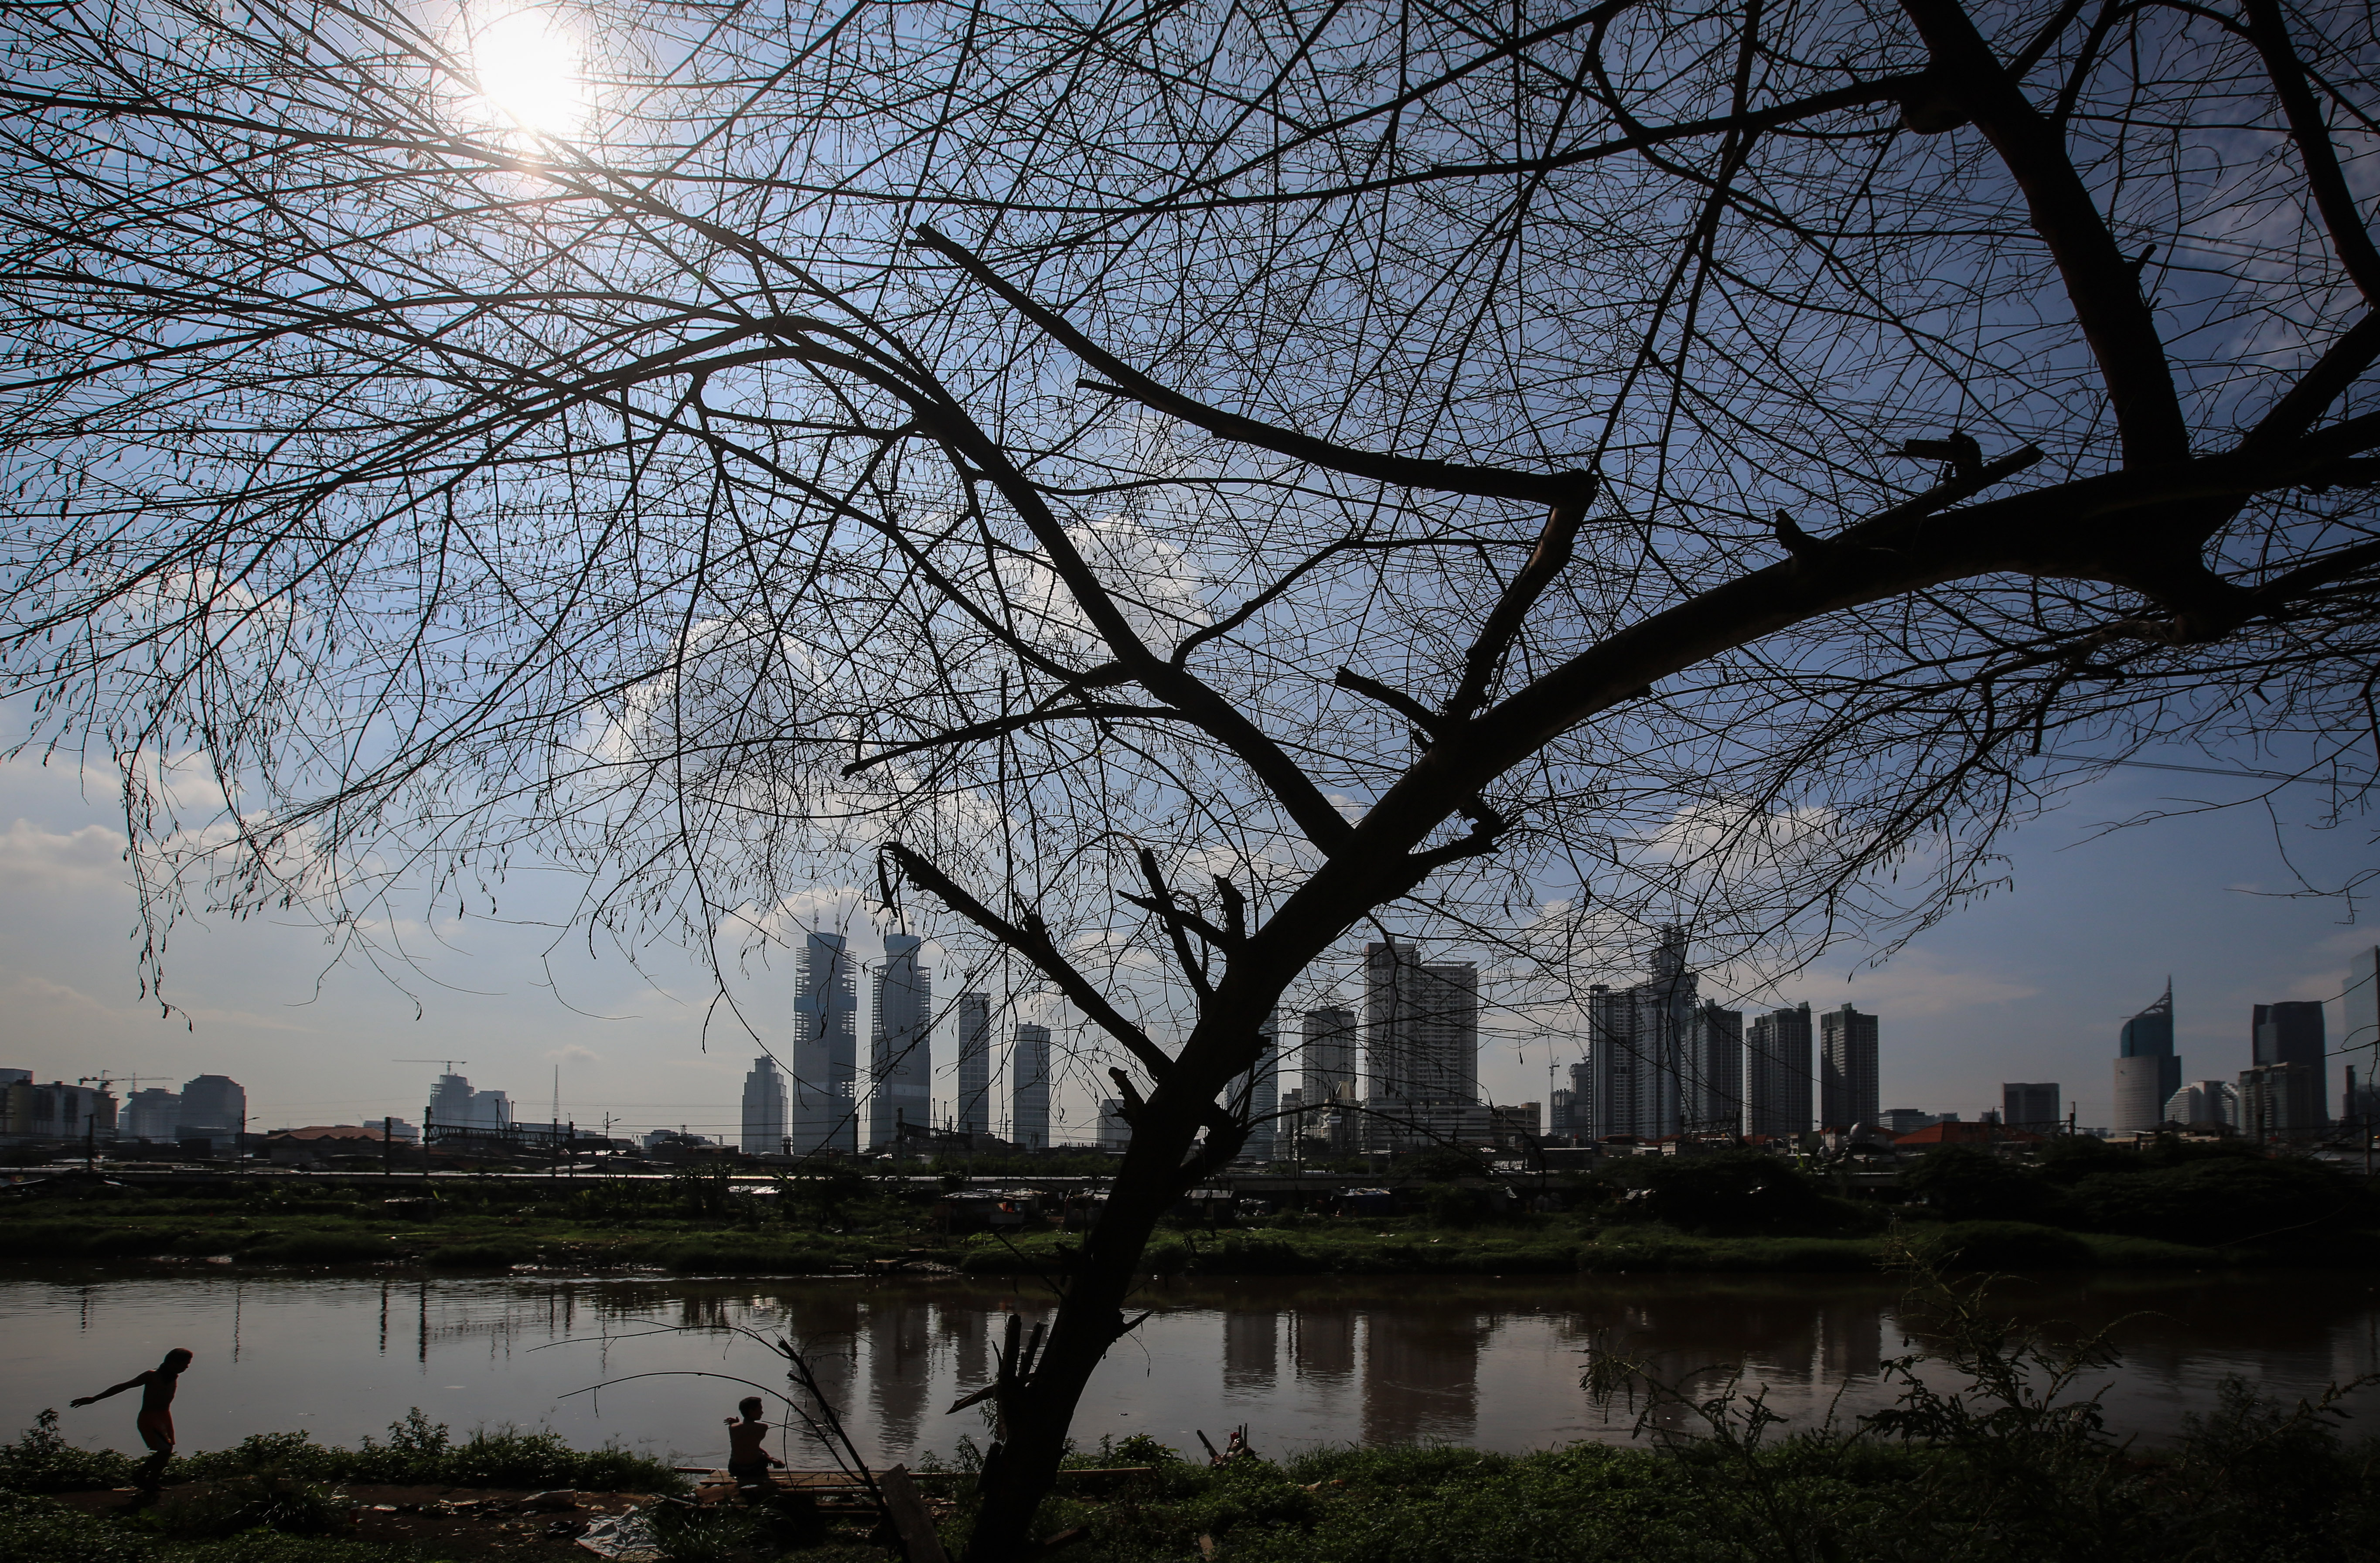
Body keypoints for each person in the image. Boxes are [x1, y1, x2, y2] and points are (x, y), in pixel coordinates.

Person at [71, 1347, 193, 1495]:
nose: (187, 1367)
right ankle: (140, 1477)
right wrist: (95, 1399)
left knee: (167, 1451)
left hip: (164, 1417)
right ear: (173, 1362)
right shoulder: (152, 1375)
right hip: (149, 1418)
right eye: (185, 1364)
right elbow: (124, 1386)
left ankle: (151, 1482)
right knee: (165, 1450)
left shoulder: (173, 1377)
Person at [724, 1396, 784, 1495]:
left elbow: (746, 1444)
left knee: (742, 1451)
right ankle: (773, 1463)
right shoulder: (763, 1428)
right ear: (751, 1411)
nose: (762, 1412)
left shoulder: (732, 1428)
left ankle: (772, 1460)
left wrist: (737, 1423)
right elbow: (751, 1443)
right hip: (754, 1470)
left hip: (735, 1469)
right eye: (760, 1409)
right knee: (761, 1455)